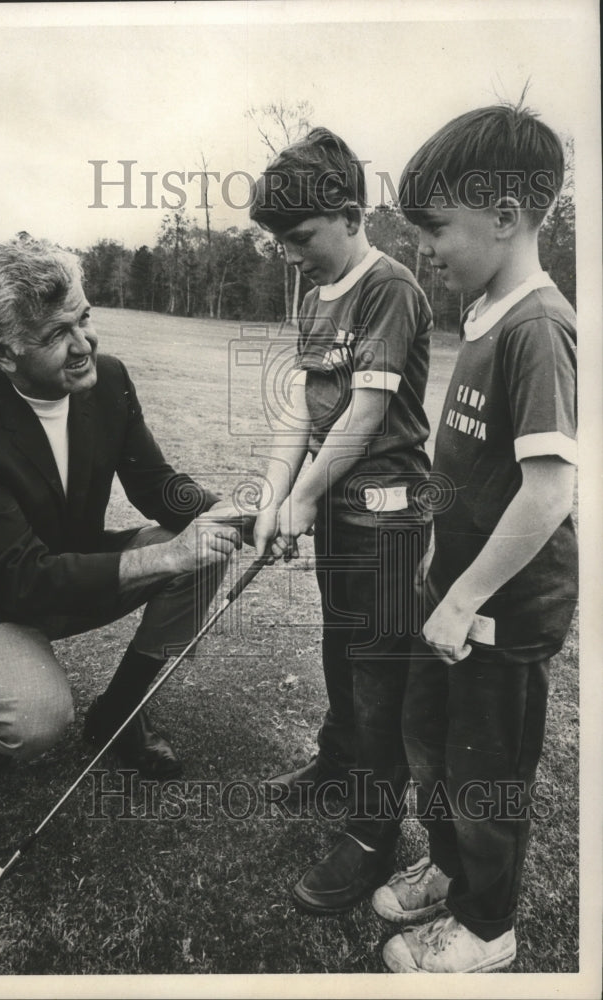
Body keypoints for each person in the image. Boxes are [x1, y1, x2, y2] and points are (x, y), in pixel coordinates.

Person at [0, 238, 244, 779]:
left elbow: (159, 488)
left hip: (72, 573)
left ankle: (120, 712)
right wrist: (165, 558)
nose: (84, 342)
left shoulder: (108, 379)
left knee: (207, 545)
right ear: (2, 352)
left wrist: (244, 516)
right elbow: (19, 578)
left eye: (83, 317)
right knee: (33, 716)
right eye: (57, 334)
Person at [373, 103, 577, 973]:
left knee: (487, 775)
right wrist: (434, 561)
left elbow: (548, 490)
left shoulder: (538, 327)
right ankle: (451, 873)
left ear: (504, 217)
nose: (423, 246)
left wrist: (462, 598)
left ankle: (487, 928)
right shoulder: (486, 312)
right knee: (436, 748)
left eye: (435, 227)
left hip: (496, 613)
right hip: (451, 599)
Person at [248, 128, 433, 913]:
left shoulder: (388, 286)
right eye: (280, 242)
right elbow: (303, 409)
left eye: (299, 238)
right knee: (337, 644)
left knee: (378, 670)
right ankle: (337, 766)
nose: (289, 254)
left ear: (351, 214)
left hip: (386, 516)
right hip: (338, 511)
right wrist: (274, 498)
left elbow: (364, 415)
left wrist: (308, 495)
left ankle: (371, 830)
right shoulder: (314, 292)